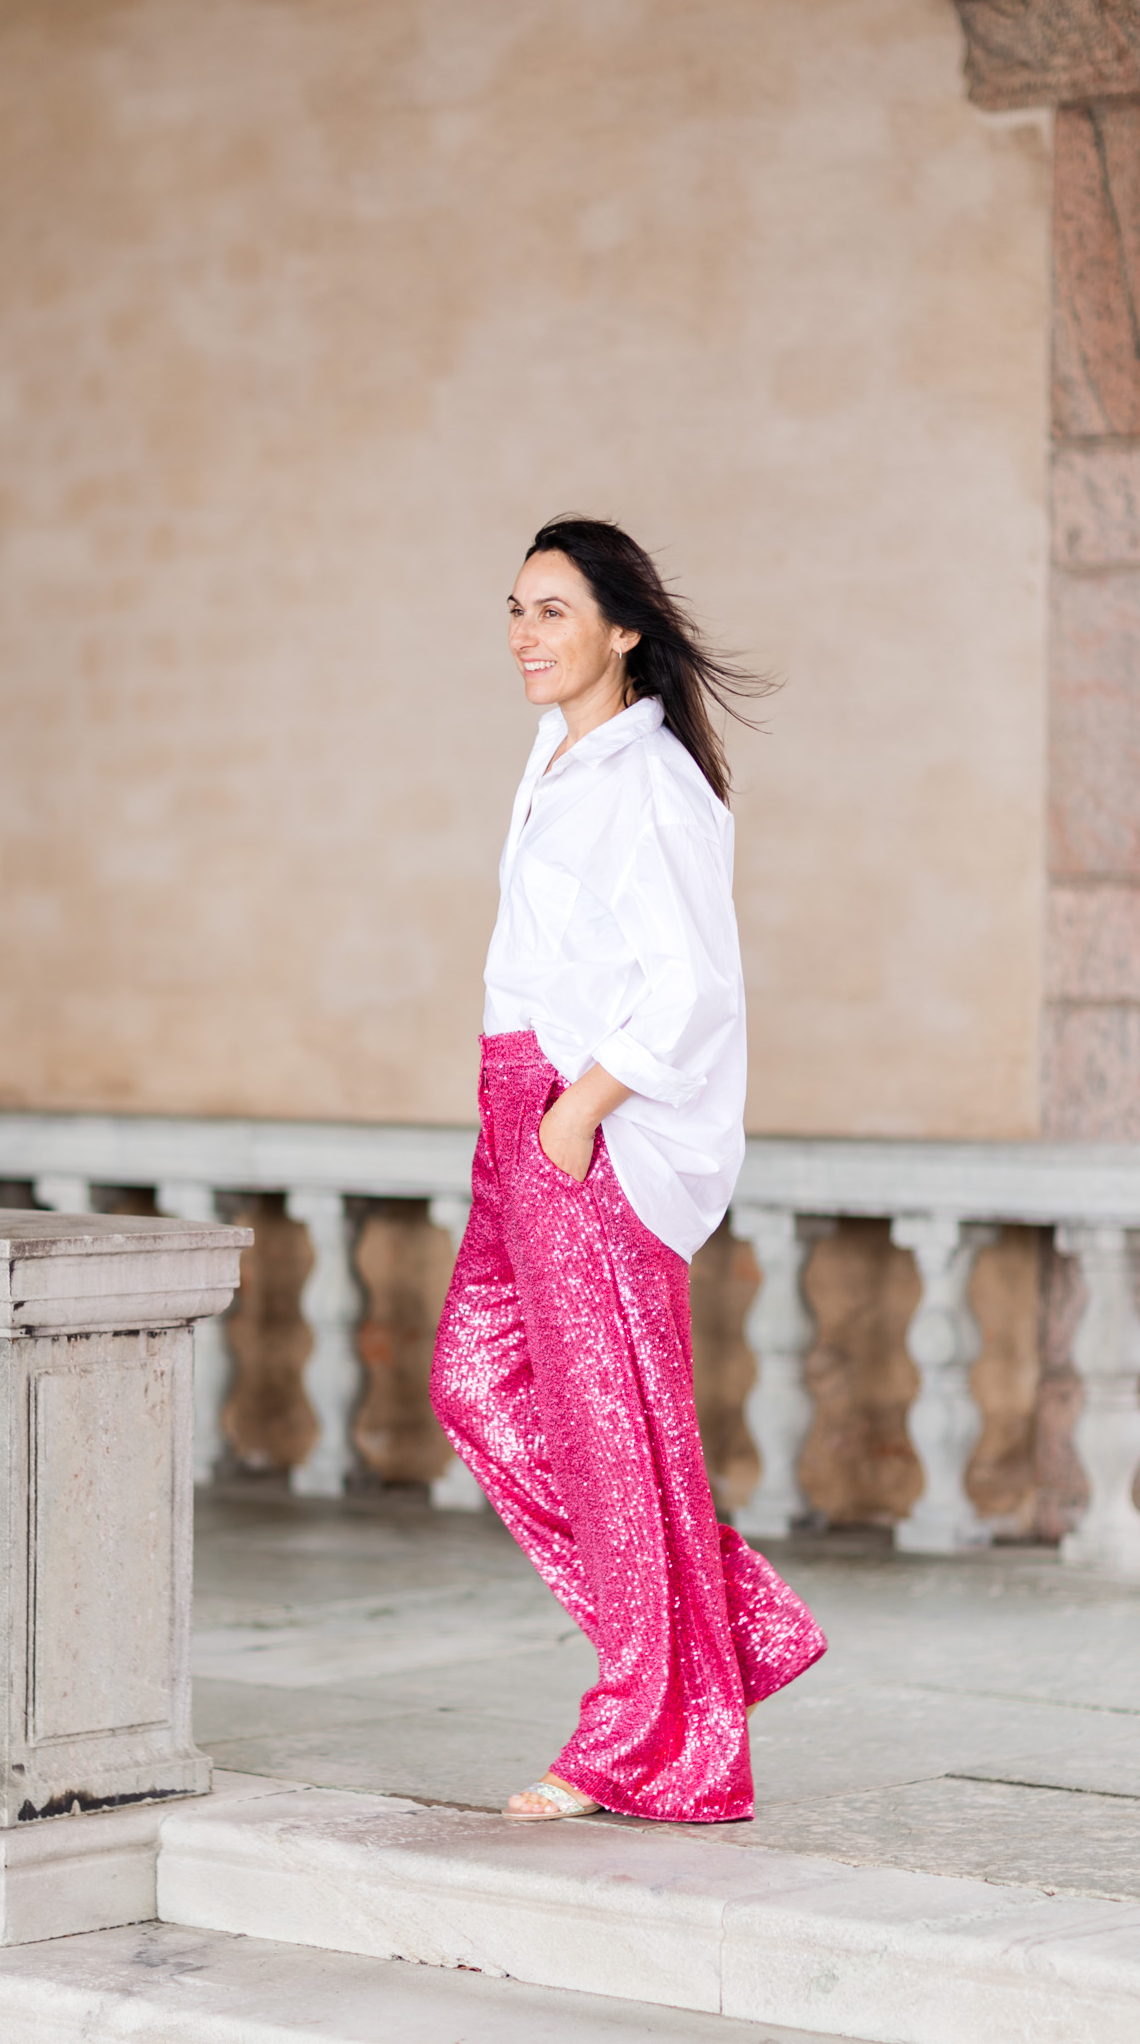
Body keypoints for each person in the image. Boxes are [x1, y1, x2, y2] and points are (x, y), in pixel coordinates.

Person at [430, 516, 826, 1824]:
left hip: (576, 1123)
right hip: (515, 1109)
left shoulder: (649, 784)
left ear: (622, 629)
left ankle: (645, 1734)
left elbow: (695, 988)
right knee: (474, 1386)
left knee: (612, 1445)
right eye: (514, 609)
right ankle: (720, 1635)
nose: (521, 636)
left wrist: (577, 1110)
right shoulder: (560, 755)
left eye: (551, 611)